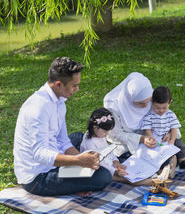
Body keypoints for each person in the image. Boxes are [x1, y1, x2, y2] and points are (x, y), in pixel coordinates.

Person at [13, 57, 112, 197]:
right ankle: (70, 185)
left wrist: (82, 160)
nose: (77, 89)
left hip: (51, 154)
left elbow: (63, 140)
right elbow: (39, 153)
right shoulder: (39, 108)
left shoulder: (59, 102)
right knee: (103, 176)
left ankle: (73, 180)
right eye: (74, 85)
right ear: (58, 84)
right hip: (37, 177)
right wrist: (78, 161)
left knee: (78, 136)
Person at [103, 72, 157, 161]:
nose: (146, 106)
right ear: (130, 99)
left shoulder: (149, 95)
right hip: (126, 144)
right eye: (141, 103)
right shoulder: (112, 105)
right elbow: (116, 135)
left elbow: (162, 116)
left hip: (151, 138)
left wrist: (169, 132)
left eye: (148, 101)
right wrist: (141, 139)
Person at [141, 86, 185, 171]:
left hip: (168, 138)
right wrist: (151, 138)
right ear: (152, 103)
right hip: (156, 139)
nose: (161, 110)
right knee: (154, 152)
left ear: (170, 102)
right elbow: (147, 129)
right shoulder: (149, 116)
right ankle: (165, 167)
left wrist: (172, 140)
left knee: (180, 145)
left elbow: (174, 128)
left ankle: (182, 162)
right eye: (157, 108)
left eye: (164, 108)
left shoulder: (171, 115)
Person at [80, 107, 128, 181]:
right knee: (120, 178)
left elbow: (108, 150)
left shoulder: (99, 135)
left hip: (108, 163)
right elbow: (99, 163)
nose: (107, 134)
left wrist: (115, 161)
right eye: (105, 132)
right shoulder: (90, 144)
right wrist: (115, 171)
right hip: (98, 168)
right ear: (95, 128)